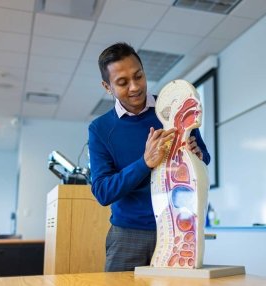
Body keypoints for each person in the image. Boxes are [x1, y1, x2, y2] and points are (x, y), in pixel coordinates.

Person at [88, 42, 211, 272]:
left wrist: (197, 155)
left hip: (179, 231)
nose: (134, 87)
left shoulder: (174, 108)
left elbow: (205, 158)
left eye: (139, 76)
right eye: (122, 82)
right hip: (128, 236)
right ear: (107, 87)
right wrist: (145, 163)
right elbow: (103, 192)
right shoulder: (100, 129)